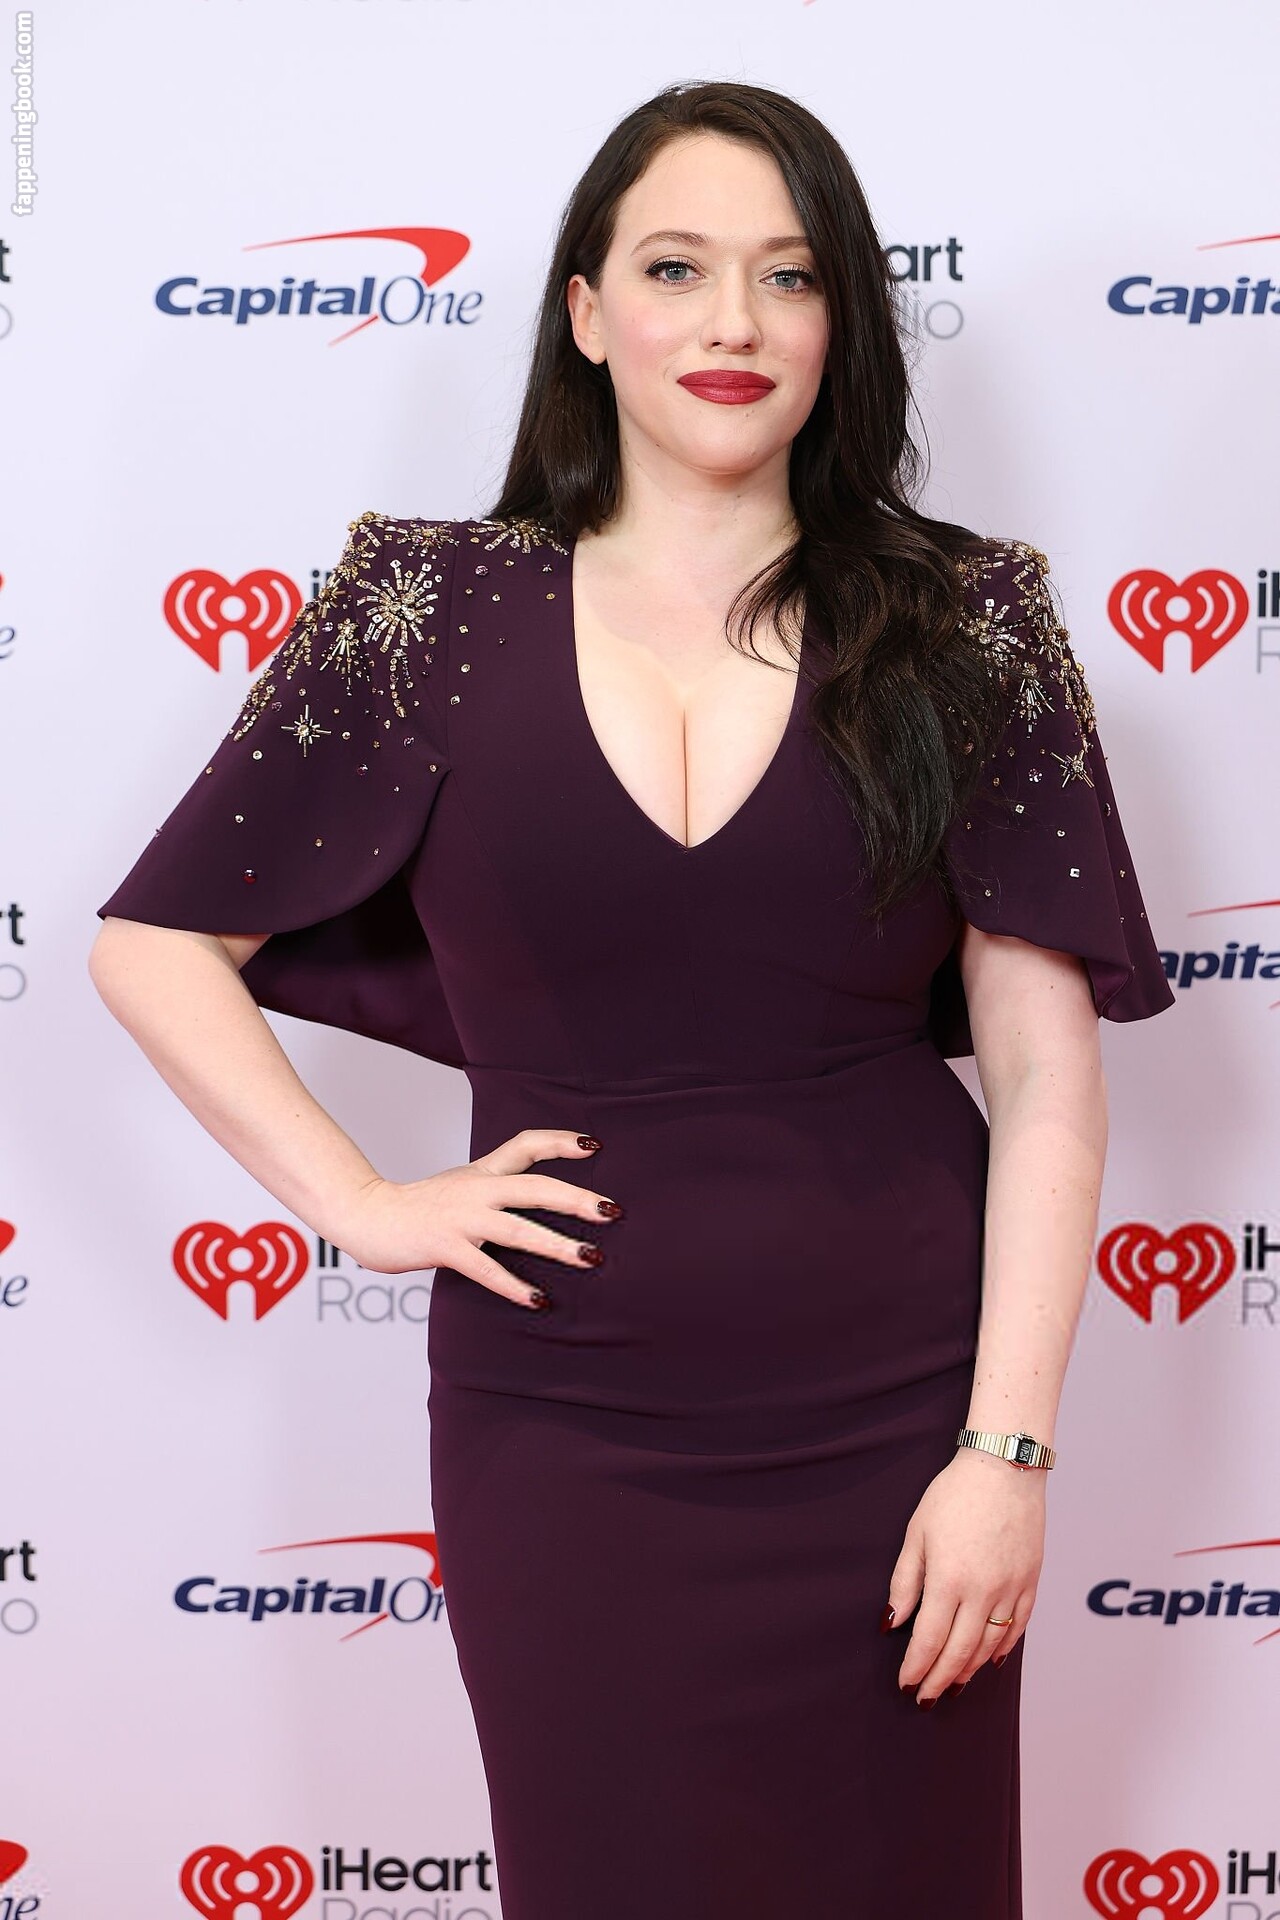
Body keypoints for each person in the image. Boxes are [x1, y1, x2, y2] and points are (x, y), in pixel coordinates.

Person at [90, 80, 1175, 1920]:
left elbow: (1046, 1076)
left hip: (904, 1415)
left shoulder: (967, 619)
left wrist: (1006, 1453)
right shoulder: (421, 610)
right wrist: (360, 1202)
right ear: (589, 313)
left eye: (789, 275)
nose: (734, 320)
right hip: (560, 1425)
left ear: (844, 321)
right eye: (677, 269)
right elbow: (153, 944)